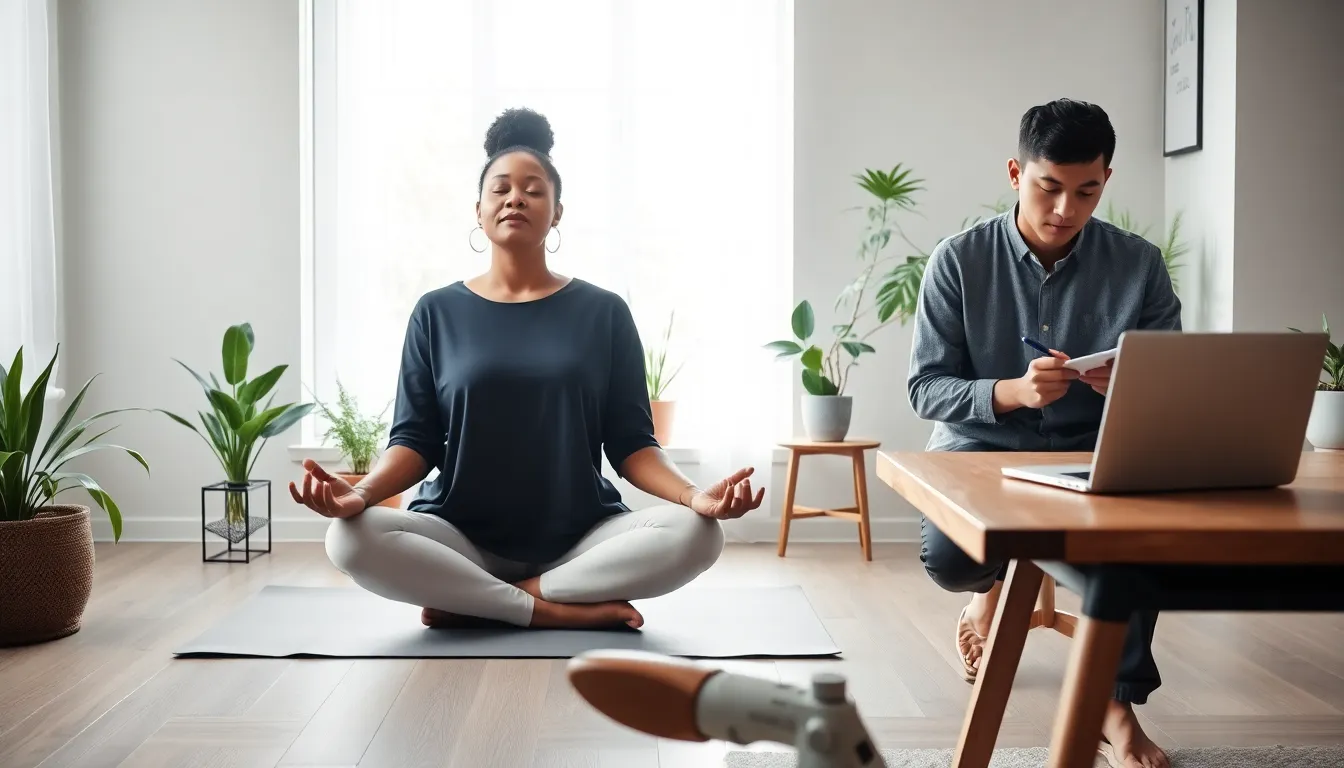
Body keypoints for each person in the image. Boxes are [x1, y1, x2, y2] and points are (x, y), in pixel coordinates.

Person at [290, 107, 765, 632]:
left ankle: (485, 602)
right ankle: (549, 610)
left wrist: (697, 497)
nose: (516, 197)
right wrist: (356, 495)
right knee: (348, 538)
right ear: (478, 210)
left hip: (582, 540)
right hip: (458, 538)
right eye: (501, 188)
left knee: (699, 534)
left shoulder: (603, 312)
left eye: (534, 189)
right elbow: (415, 441)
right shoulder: (436, 312)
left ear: (557, 212)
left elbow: (631, 443)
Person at [907, 99, 1180, 768]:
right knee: (949, 559)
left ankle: (1115, 705)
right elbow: (925, 388)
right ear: (1015, 173)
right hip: (983, 448)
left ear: (1106, 181)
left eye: (1085, 191)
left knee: (1142, 543)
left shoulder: (1138, 265)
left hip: (1096, 447)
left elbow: (1171, 380)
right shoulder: (958, 260)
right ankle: (988, 595)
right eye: (1048, 187)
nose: (1065, 209)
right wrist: (1010, 393)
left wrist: (1129, 385)